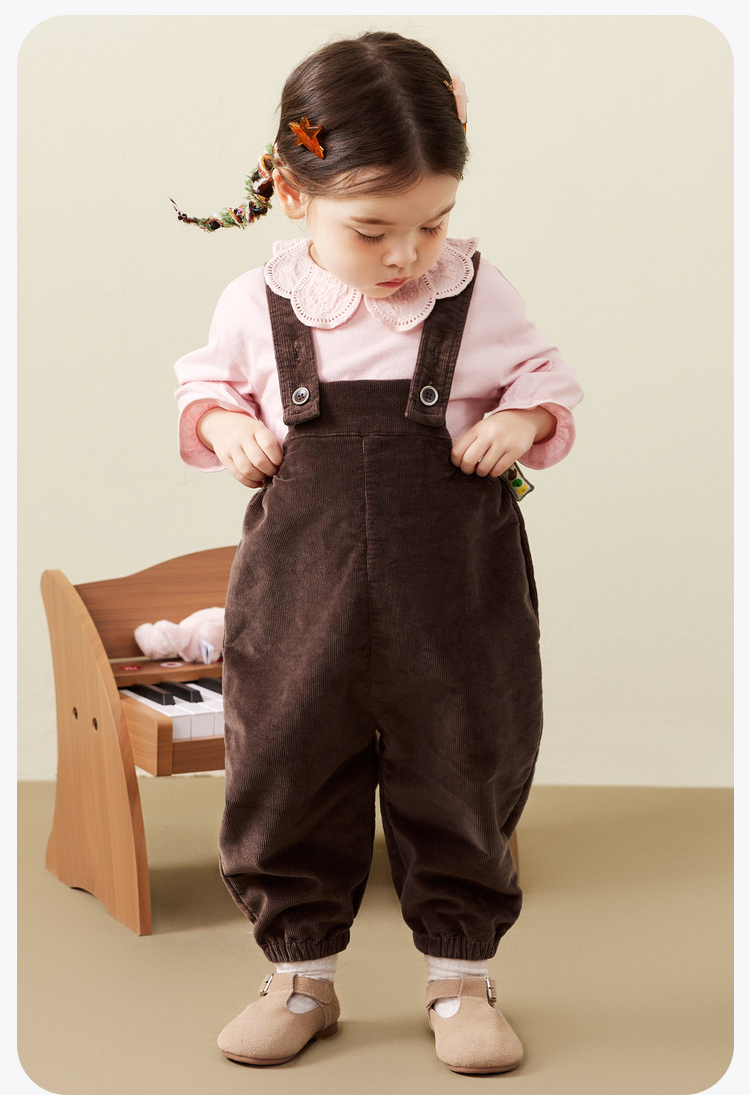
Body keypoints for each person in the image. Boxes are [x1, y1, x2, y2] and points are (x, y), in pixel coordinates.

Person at [172, 30, 583, 1076]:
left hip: (457, 592)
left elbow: (547, 381)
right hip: (300, 593)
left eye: (432, 222)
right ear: (292, 191)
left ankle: (462, 977)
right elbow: (204, 387)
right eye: (373, 230)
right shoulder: (256, 304)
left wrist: (523, 420)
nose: (407, 255)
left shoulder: (476, 293)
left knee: (463, 761)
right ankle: (299, 976)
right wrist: (225, 425)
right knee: (286, 763)